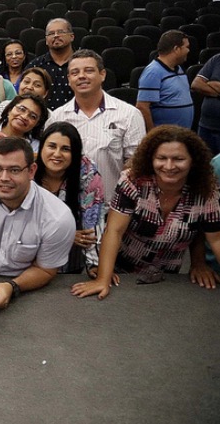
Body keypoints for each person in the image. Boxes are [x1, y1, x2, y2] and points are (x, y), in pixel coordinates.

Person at [71, 126, 220, 300]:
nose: (169, 166)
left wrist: (199, 263)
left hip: (166, 277)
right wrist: (103, 278)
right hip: (121, 272)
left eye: (178, 159)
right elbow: (114, 231)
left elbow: (215, 238)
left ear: (193, 161)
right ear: (151, 159)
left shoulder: (206, 191)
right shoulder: (132, 181)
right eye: (161, 158)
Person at [0, 137, 77, 309]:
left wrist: (12, 287)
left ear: (31, 171)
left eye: (14, 170)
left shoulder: (58, 217)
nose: (4, 178)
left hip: (29, 287)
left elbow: (46, 270)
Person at [45, 49, 146, 201]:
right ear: (69, 79)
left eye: (89, 70)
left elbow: (137, 165)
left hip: (112, 206)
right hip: (66, 206)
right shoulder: (57, 118)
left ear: (102, 74)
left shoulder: (129, 115)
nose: (81, 76)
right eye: (75, 72)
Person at [34, 122, 104, 275]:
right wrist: (66, 235)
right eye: (51, 146)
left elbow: (92, 224)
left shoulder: (87, 172)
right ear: (41, 148)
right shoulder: (27, 169)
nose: (57, 154)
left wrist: (95, 266)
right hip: (29, 262)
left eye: (65, 149)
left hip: (69, 265)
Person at [136, 30, 193, 130]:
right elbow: (142, 107)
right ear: (176, 49)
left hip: (181, 135)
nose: (188, 51)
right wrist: (153, 135)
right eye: (186, 47)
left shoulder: (179, 69)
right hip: (164, 138)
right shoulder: (153, 72)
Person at [25, 18, 76, 110]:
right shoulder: (35, 66)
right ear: (46, 40)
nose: (56, 36)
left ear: (72, 36)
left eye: (60, 32)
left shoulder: (83, 64)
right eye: (51, 33)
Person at [192, 53, 220, 154]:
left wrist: (210, 83)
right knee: (203, 163)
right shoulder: (216, 59)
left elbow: (203, 84)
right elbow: (196, 84)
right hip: (206, 126)